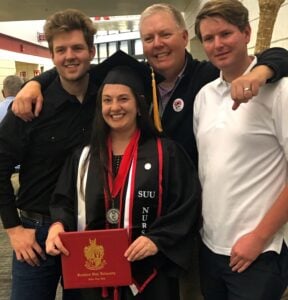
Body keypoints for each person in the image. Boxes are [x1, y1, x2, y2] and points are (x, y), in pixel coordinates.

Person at [9, 3, 288, 300]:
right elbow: (72, 68)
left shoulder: (206, 79)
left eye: (165, 34)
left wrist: (260, 72)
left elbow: (279, 56)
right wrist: (36, 82)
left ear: (183, 37)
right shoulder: (88, 151)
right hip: (127, 255)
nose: (115, 107)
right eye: (149, 38)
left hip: (187, 248)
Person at [45, 50, 201, 300]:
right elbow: (64, 201)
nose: (114, 107)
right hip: (92, 277)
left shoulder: (166, 153)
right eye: (107, 100)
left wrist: (158, 240)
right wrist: (57, 226)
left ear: (139, 105)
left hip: (150, 276)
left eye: (123, 99)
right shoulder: (83, 157)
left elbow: (187, 205)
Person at [0, 8, 98, 300]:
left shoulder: (105, 99)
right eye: (61, 49)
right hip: (35, 232)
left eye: (78, 48)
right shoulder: (29, 108)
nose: (70, 56)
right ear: (52, 55)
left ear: (91, 51)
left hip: (87, 231)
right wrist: (14, 229)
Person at [193, 0, 288, 299]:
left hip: (257, 253)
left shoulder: (280, 91)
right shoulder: (204, 97)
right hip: (210, 248)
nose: (217, 44)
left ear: (246, 32)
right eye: (209, 38)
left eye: (225, 34)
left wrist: (259, 238)